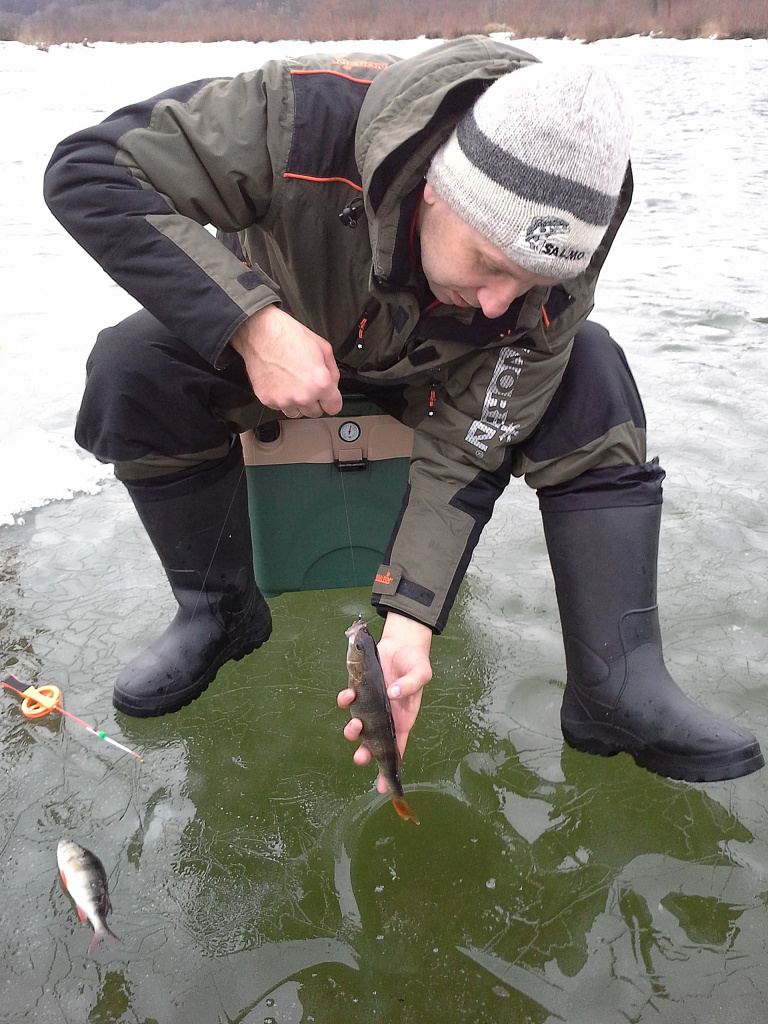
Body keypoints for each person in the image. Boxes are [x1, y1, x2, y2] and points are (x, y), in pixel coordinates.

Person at [44, 35, 763, 785]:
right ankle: (218, 613)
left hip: (437, 378)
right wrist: (249, 323)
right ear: (433, 189)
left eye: (528, 282)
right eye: (488, 262)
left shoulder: (576, 228)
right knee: (132, 369)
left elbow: (470, 444)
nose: (498, 301)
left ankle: (615, 683)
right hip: (282, 341)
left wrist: (412, 624)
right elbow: (89, 172)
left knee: (594, 373)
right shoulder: (296, 119)